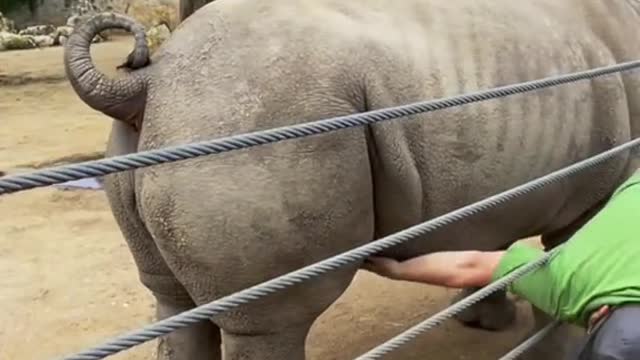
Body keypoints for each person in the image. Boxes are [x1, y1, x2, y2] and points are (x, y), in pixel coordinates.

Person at [362, 169, 640, 360]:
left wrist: (399, 270)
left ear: (598, 319)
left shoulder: (567, 281)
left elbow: (470, 265)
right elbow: (470, 265)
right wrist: (397, 271)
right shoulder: (565, 283)